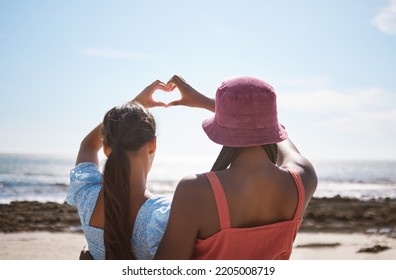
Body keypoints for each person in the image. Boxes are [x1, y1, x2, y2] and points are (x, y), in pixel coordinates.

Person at [154, 75, 318, 260]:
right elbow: (280, 136)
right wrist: (230, 111)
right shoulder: (304, 179)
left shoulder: (195, 190)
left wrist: (223, 109)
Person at [66, 80, 172, 260]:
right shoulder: (161, 217)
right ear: (152, 144)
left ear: (106, 148)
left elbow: (88, 145)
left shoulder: (86, 195)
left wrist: (135, 104)